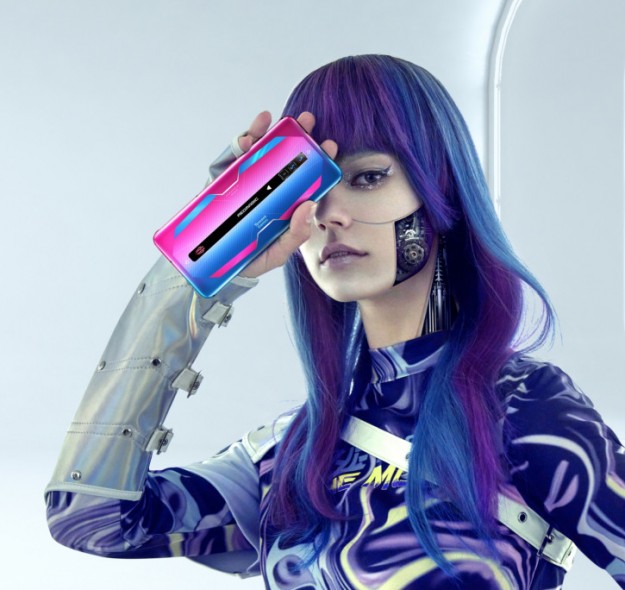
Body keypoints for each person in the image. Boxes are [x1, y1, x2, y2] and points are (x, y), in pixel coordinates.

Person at [45, 54, 625, 589]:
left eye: (367, 177)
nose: (330, 214)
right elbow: (90, 518)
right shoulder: (290, 454)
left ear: (441, 189)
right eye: (308, 187)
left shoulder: (521, 405)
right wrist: (198, 263)